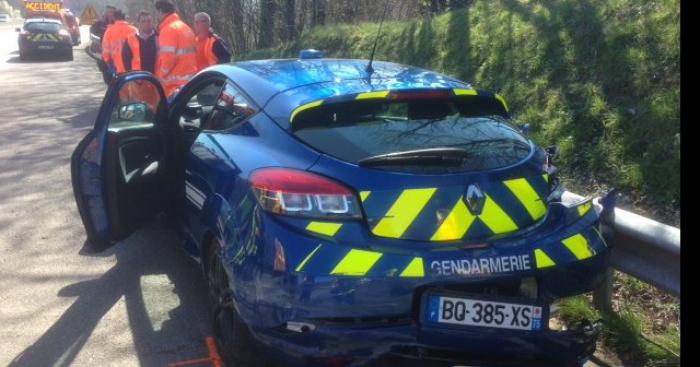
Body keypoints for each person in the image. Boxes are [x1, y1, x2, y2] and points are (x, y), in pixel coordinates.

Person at [154, 0, 197, 100]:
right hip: (190, 82)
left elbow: (168, 59)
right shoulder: (185, 27)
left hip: (175, 87)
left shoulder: (168, 30)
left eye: (157, 12)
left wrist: (159, 77)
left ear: (161, 11)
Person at [101, 10, 137, 76]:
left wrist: (108, 63)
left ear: (114, 18)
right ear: (125, 18)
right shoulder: (133, 30)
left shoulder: (109, 31)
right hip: (132, 69)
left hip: (116, 69)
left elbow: (105, 53)